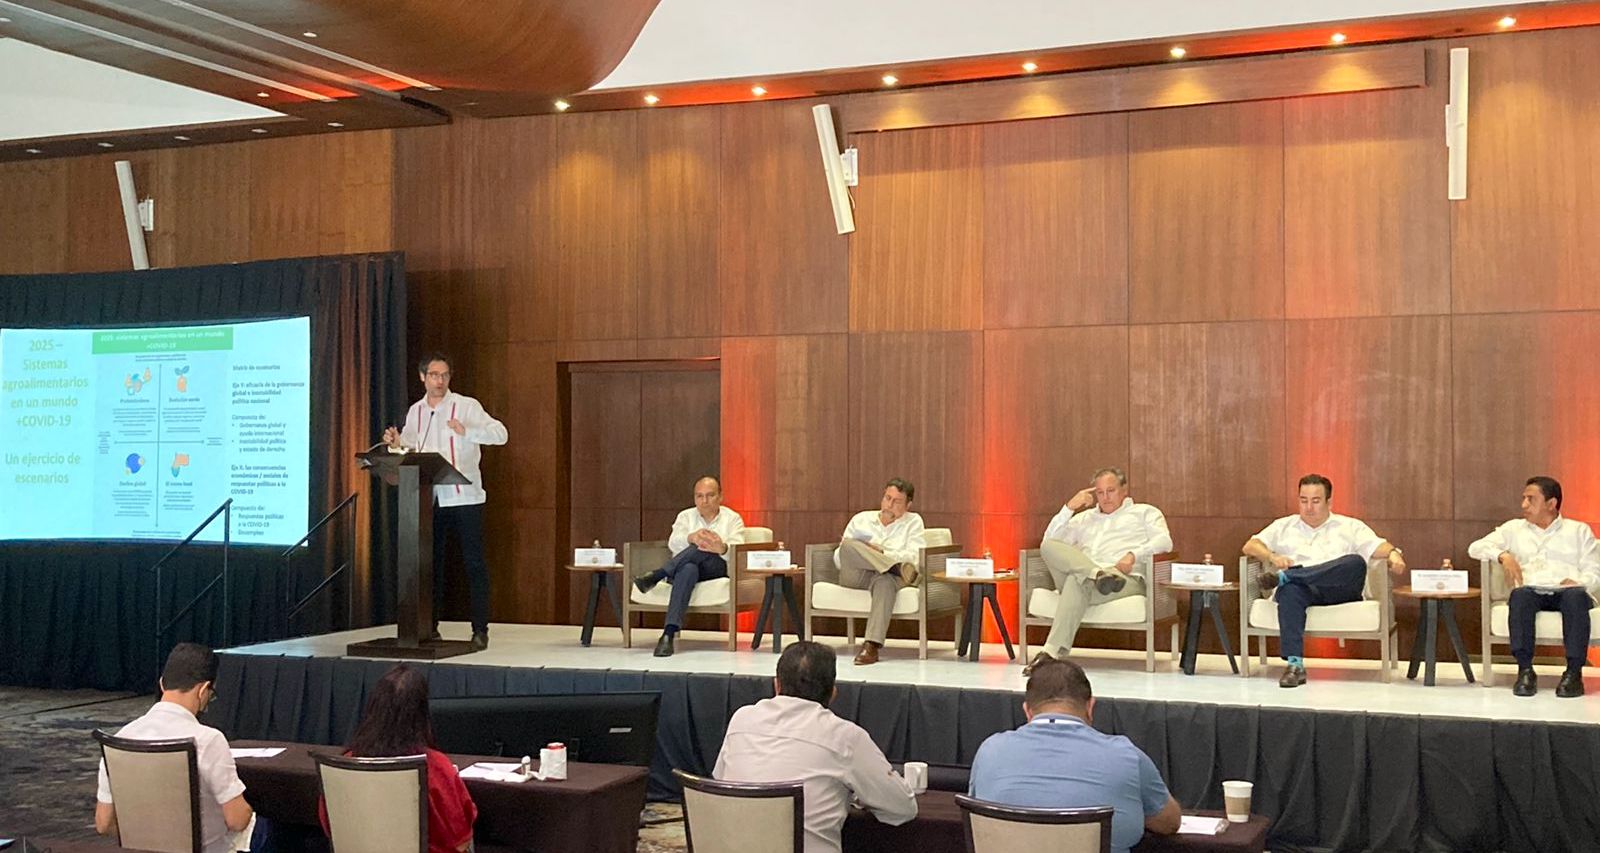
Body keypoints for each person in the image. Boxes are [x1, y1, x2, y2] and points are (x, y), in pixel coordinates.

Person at [714, 641, 916, 853]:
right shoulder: (845, 737)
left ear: (776, 685)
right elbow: (902, 808)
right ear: (833, 692)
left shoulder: (742, 720)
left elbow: (720, 786)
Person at [968, 658, 1180, 853]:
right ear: (1090, 707)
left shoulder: (990, 750)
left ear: (1027, 711)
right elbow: (1168, 822)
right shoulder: (1127, 756)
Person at [384, 352, 508, 651]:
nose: (440, 381)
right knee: (430, 565)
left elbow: (501, 434)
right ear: (422, 377)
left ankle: (480, 629)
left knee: (473, 563)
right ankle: (431, 626)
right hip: (431, 498)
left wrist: (469, 431)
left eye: (444, 375)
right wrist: (396, 444)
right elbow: (413, 450)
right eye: (434, 375)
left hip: (465, 496)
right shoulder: (416, 411)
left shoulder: (466, 406)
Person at [1240, 474, 1405, 688]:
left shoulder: (1349, 526)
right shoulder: (1283, 526)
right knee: (1290, 591)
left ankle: (1285, 577)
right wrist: (1272, 557)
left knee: (1354, 562)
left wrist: (1393, 553)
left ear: (1329, 502)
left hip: (1339, 592)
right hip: (1303, 591)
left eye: (1316, 501)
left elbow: (1376, 546)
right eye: (1303, 500)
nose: (1309, 507)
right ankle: (1295, 665)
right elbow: (1250, 546)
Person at [94, 643, 252, 853]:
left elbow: (103, 823)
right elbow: (237, 820)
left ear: (162, 684)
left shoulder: (121, 737)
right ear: (203, 689)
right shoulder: (208, 740)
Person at [1026, 467, 1173, 675]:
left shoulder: (1144, 512)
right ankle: (1096, 573)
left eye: (1111, 491)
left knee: (1077, 580)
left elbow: (1165, 542)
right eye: (1100, 492)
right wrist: (1069, 508)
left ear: (1124, 490)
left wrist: (1134, 554)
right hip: (1090, 573)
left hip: (1122, 578)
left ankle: (1050, 651)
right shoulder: (1084, 518)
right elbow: (1051, 542)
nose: (1105, 497)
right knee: (1048, 546)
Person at [319, 664, 476, 853]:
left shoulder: (344, 765)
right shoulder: (435, 766)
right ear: (422, 713)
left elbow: (330, 827)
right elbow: (459, 840)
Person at [1468, 476, 1600, 698]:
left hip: (1569, 591)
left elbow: (1594, 570)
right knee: (1519, 596)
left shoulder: (1578, 531)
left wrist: (1581, 583)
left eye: (1531, 499)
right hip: (1532, 590)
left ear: (1551, 503)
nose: (1524, 506)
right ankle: (1526, 671)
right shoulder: (1513, 529)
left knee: (1576, 597)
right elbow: (1475, 547)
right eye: (1524, 499)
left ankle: (1574, 673)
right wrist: (1502, 555)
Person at [836, 478, 955, 665]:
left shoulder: (913, 522)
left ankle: (871, 646)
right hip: (859, 575)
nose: (889, 504)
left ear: (908, 505)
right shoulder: (861, 519)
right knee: (848, 545)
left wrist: (882, 552)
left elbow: (915, 557)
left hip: (886, 578)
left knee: (884, 580)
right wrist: (869, 553)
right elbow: (840, 557)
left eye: (897, 501)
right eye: (887, 498)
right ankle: (893, 567)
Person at [633, 475, 747, 656]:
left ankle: (657, 575)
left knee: (703, 548)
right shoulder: (685, 516)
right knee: (688, 568)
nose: (704, 501)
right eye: (699, 496)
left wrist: (722, 547)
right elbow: (673, 543)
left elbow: (738, 549)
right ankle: (668, 635)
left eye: (710, 495)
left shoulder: (733, 519)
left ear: (720, 497)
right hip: (684, 568)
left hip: (715, 569)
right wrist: (691, 538)